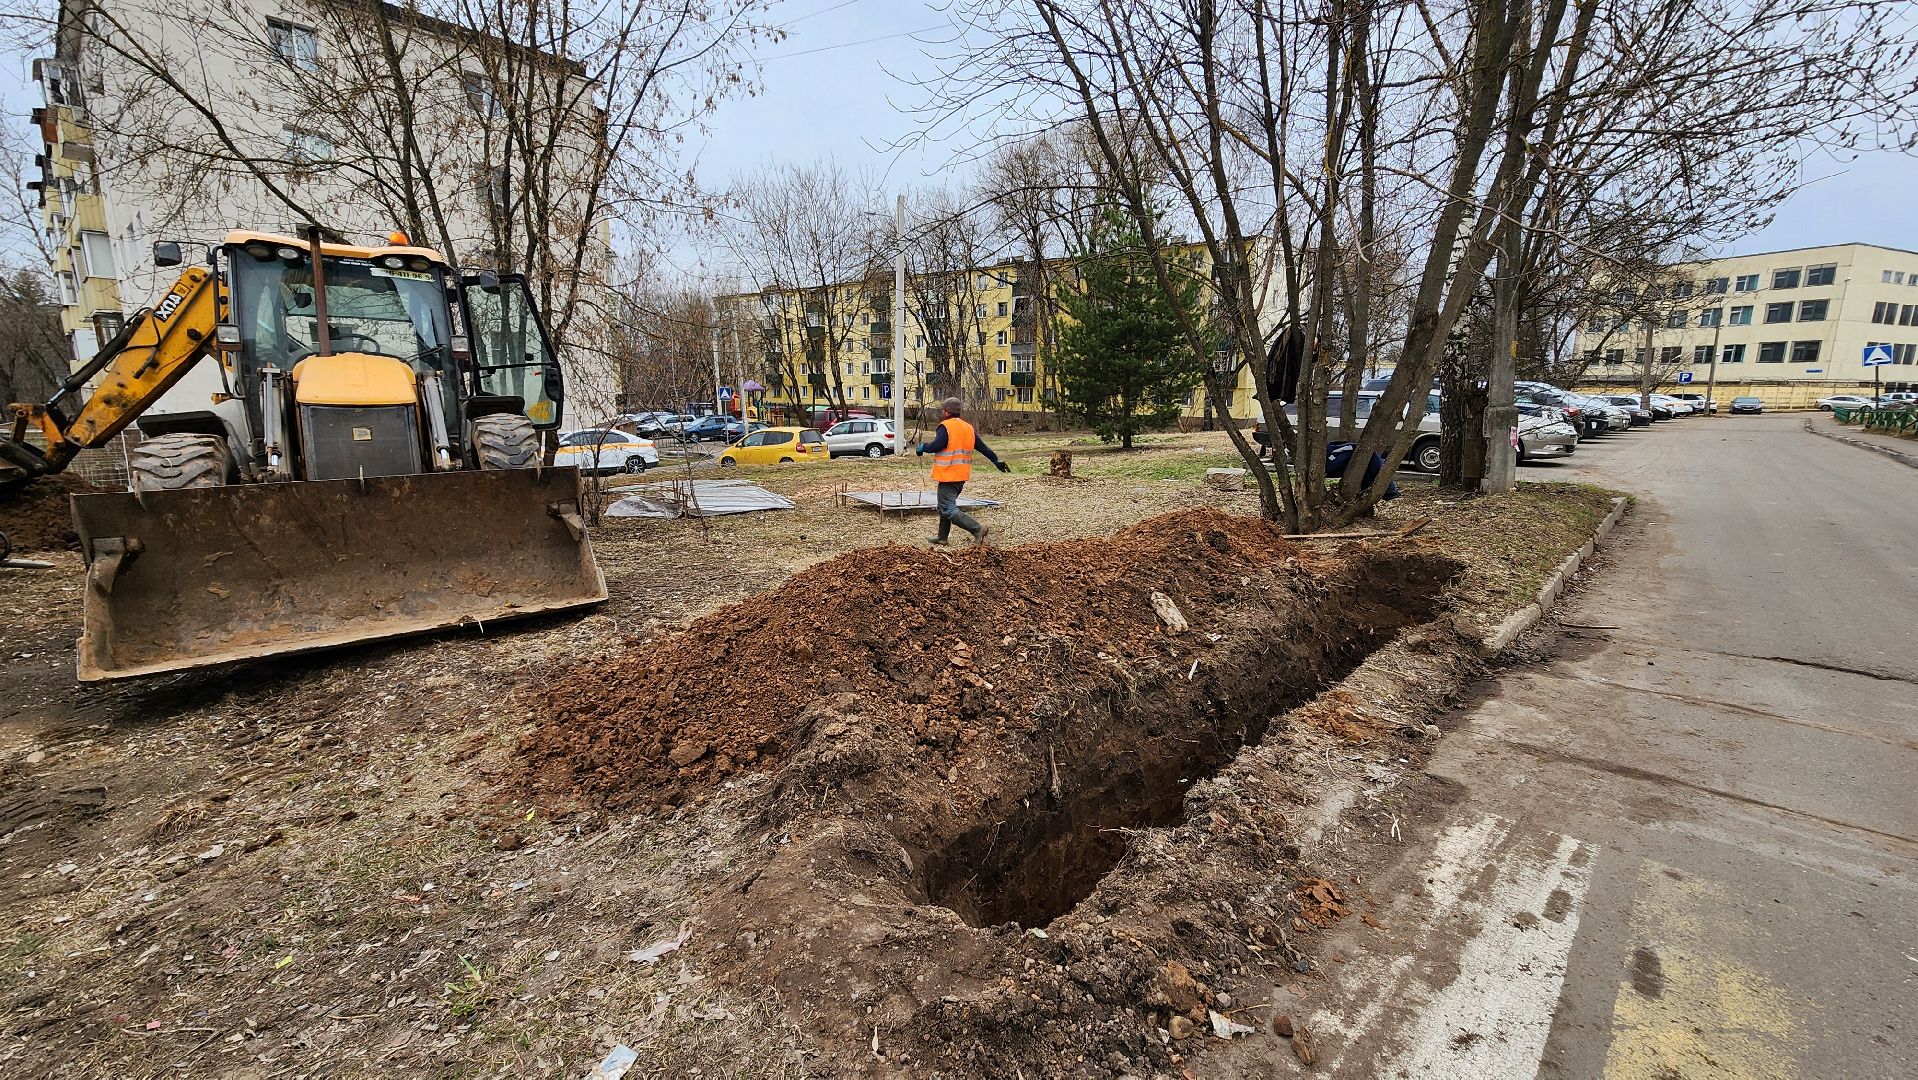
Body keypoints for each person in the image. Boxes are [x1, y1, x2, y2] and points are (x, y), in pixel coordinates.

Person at [916, 397, 1009, 545]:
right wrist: (996, 460)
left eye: (943, 409)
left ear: (947, 412)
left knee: (947, 508)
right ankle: (942, 538)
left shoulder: (945, 426)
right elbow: (982, 447)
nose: (942, 412)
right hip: (961, 475)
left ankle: (977, 529)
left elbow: (937, 445)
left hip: (948, 474)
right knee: (944, 506)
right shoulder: (968, 428)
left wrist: (923, 447)